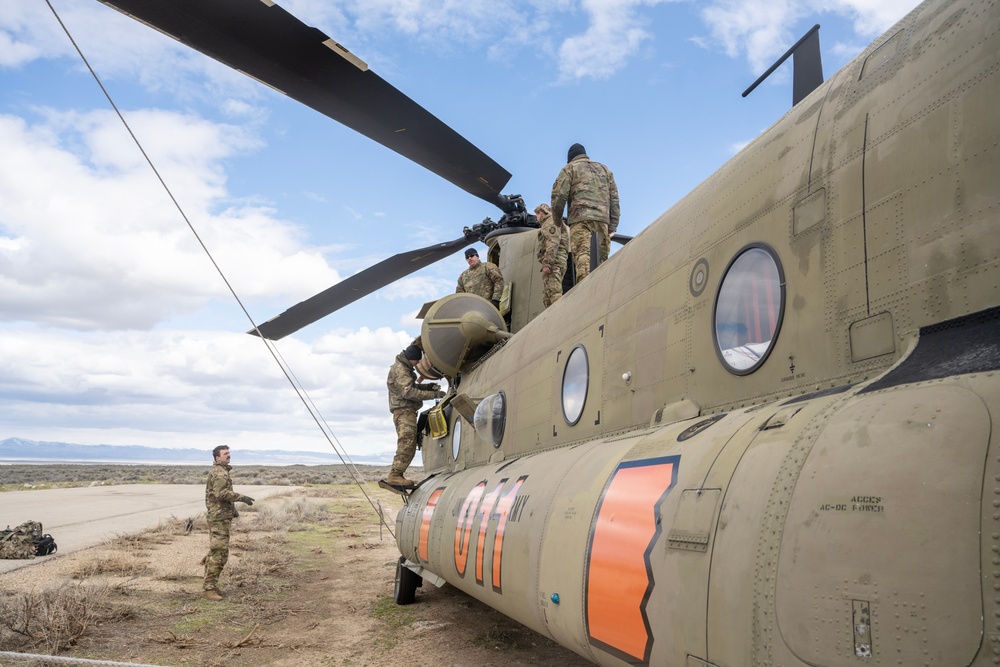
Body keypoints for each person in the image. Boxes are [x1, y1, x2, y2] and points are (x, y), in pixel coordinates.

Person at [550, 143, 620, 281]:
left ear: (570, 158)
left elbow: (559, 197)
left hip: (580, 221)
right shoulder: (605, 170)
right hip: (602, 222)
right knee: (602, 265)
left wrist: (557, 221)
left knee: (583, 264)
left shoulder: (569, 168)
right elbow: (615, 200)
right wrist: (613, 225)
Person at [385, 345, 446, 488]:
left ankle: (397, 474)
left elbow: (412, 388)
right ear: (412, 358)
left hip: (406, 411)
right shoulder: (400, 369)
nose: (417, 364)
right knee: (406, 443)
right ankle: (395, 475)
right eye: (416, 361)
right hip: (404, 411)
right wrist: (433, 395)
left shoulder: (404, 368)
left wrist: (427, 387)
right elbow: (408, 392)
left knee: (410, 444)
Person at [203, 445, 254, 601]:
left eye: (229, 453)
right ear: (217, 458)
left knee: (217, 552)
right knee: (219, 552)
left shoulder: (222, 471)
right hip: (218, 518)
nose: (228, 455)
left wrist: (232, 509)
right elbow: (221, 494)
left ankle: (211, 585)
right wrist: (241, 497)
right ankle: (208, 588)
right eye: (225, 454)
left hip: (221, 516)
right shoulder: (219, 473)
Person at [534, 203, 569, 308]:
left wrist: (547, 263)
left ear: (540, 213)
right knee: (548, 295)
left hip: (554, 262)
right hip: (556, 261)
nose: (537, 218)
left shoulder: (550, 222)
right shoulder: (553, 222)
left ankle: (558, 316)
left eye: (537, 215)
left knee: (554, 293)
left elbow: (552, 242)